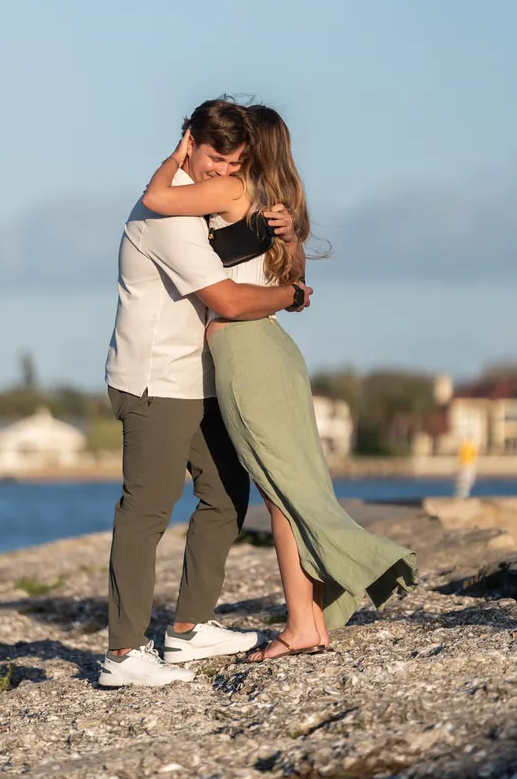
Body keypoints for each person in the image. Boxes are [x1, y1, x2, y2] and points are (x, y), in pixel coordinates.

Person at [142, 104, 417, 662]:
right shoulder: (276, 207)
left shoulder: (233, 190)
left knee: (281, 493)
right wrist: (291, 241)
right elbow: (297, 288)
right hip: (277, 351)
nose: (223, 160)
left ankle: (307, 619)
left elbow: (156, 200)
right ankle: (310, 621)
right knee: (293, 488)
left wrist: (177, 155)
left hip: (246, 352)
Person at [99, 98, 312, 689]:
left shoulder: (202, 209)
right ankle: (122, 655)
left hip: (197, 379)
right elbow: (230, 301)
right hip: (155, 381)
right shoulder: (166, 217)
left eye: (235, 161)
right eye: (216, 156)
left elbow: (257, 265)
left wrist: (287, 244)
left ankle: (187, 631)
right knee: (147, 508)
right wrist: (292, 297)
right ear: (188, 141)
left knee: (224, 495)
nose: (223, 170)